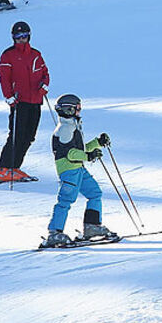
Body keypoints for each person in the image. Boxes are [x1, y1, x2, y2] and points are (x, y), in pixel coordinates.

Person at [45, 94, 116, 247]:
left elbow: (80, 149)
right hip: (69, 171)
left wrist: (97, 143)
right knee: (65, 201)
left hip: (79, 169)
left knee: (94, 193)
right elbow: (70, 153)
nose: (79, 111)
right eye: (78, 108)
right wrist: (88, 156)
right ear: (69, 109)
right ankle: (55, 233)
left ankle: (92, 226)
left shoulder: (72, 126)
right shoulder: (65, 128)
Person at [0, 21, 50, 183]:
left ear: (29, 36)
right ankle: (4, 169)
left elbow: (45, 73)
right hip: (19, 101)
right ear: (13, 37)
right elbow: (4, 79)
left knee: (29, 136)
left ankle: (14, 168)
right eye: (18, 36)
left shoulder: (36, 54)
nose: (21, 39)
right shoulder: (8, 55)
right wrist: (9, 96)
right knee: (16, 135)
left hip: (36, 100)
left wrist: (44, 85)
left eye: (24, 36)